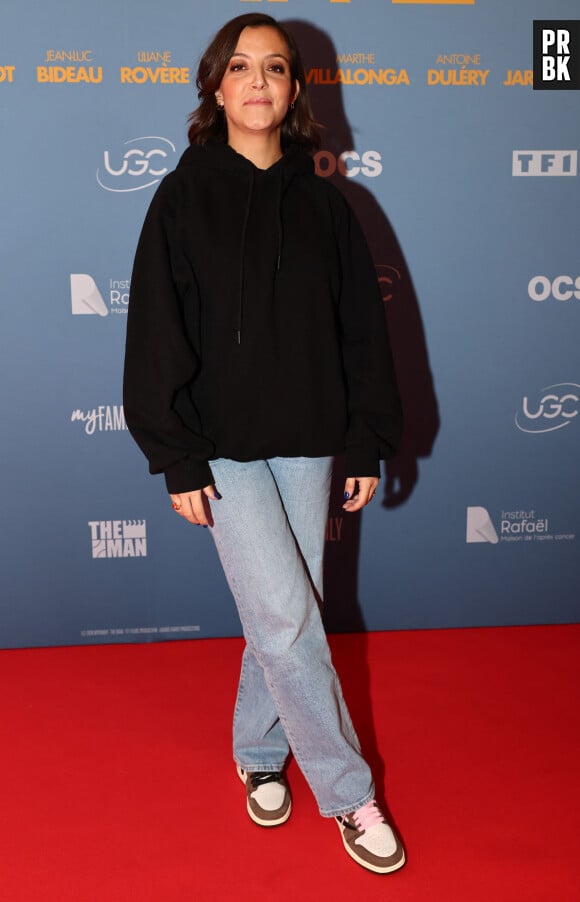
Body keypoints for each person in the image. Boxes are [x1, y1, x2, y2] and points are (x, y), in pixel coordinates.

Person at [123, 12, 404, 876]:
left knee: (284, 616)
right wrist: (173, 452)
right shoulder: (180, 195)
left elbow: (362, 333)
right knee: (284, 616)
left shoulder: (327, 203)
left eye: (274, 68)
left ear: (293, 92)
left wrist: (364, 443)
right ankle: (351, 794)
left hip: (312, 441)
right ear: (215, 86)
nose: (257, 81)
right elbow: (156, 333)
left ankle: (257, 751)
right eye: (239, 66)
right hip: (222, 448)